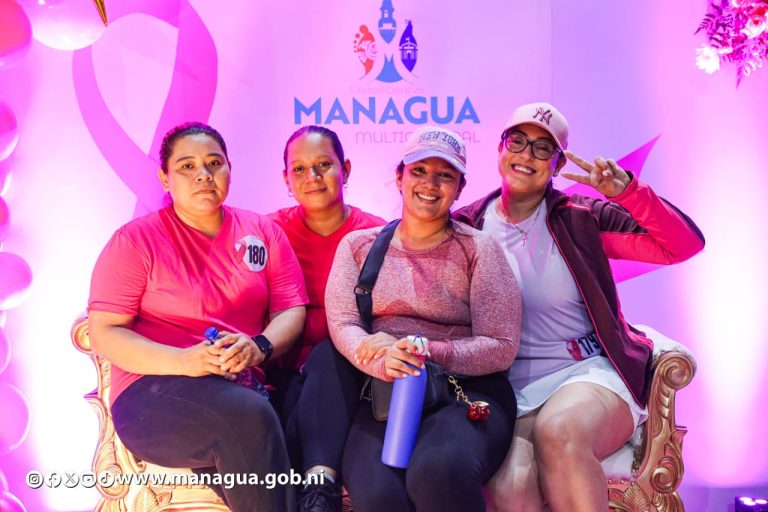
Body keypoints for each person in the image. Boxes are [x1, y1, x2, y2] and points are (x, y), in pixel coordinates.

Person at [453, 102, 705, 512]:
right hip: (510, 385)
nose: (526, 155)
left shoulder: (581, 218)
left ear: (557, 164)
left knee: (561, 430)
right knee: (509, 485)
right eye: (517, 141)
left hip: (586, 372)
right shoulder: (467, 226)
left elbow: (682, 245)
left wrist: (628, 193)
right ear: (500, 148)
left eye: (542, 148)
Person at [87, 122, 308, 512]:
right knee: (248, 417)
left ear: (229, 170)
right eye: (186, 166)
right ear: (165, 178)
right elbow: (105, 332)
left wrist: (259, 347)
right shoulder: (135, 241)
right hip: (151, 392)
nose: (203, 174)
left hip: (240, 383)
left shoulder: (262, 231)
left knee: (285, 435)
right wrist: (185, 361)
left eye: (214, 163)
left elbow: (290, 309)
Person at [324, 126, 522, 512]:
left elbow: (501, 346)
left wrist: (424, 350)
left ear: (460, 188)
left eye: (445, 175)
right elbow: (344, 322)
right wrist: (380, 357)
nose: (430, 184)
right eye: (419, 171)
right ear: (399, 177)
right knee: (380, 496)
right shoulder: (358, 246)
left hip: (465, 391)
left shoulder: (479, 249)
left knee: (438, 473)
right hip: (384, 393)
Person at [267, 125, 385, 511]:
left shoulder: (376, 234)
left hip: (350, 372)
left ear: (345, 169)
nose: (312, 177)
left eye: (323, 165)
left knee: (329, 352)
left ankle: (321, 492)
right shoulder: (269, 232)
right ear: (286, 179)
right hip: (282, 371)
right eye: (299, 169)